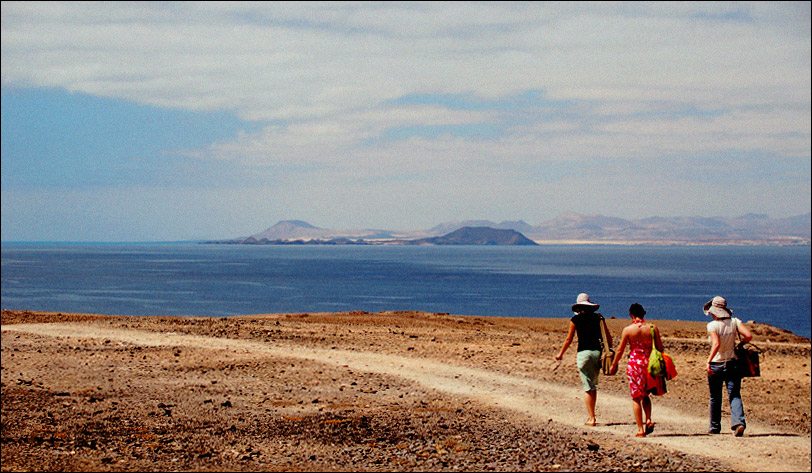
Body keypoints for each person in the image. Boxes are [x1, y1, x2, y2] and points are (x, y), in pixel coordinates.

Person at [555, 293, 612, 426]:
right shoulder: (599, 318)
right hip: (597, 352)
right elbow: (607, 337)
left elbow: (569, 339)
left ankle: (591, 418)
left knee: (587, 386)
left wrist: (560, 353)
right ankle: (592, 415)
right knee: (593, 385)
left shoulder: (575, 320)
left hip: (583, 353)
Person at [609, 303, 663, 437]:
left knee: (636, 397)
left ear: (631, 315)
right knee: (646, 394)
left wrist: (614, 364)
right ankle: (648, 419)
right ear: (644, 314)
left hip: (635, 364)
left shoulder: (628, 330)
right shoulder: (652, 328)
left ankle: (640, 429)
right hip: (649, 363)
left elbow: (620, 350)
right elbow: (660, 347)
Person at [704, 296, 752, 437]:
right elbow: (748, 335)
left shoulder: (712, 325)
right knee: (734, 394)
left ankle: (714, 426)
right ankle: (739, 423)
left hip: (716, 364)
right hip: (733, 362)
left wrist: (708, 360)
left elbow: (716, 344)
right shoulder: (735, 322)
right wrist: (740, 344)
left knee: (715, 397)